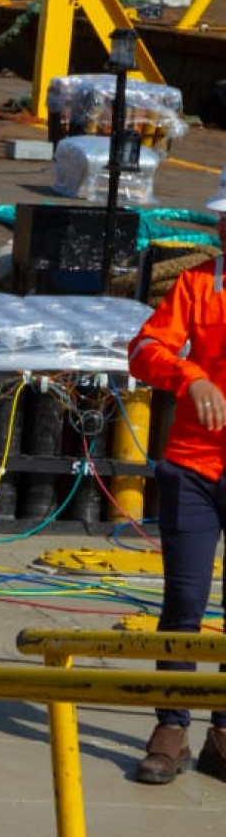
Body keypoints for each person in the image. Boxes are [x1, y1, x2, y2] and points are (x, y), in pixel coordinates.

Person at [125, 169, 226, 785]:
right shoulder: (196, 286)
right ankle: (172, 725)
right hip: (193, 466)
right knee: (183, 603)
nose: (221, 227)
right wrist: (191, 376)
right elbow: (145, 349)